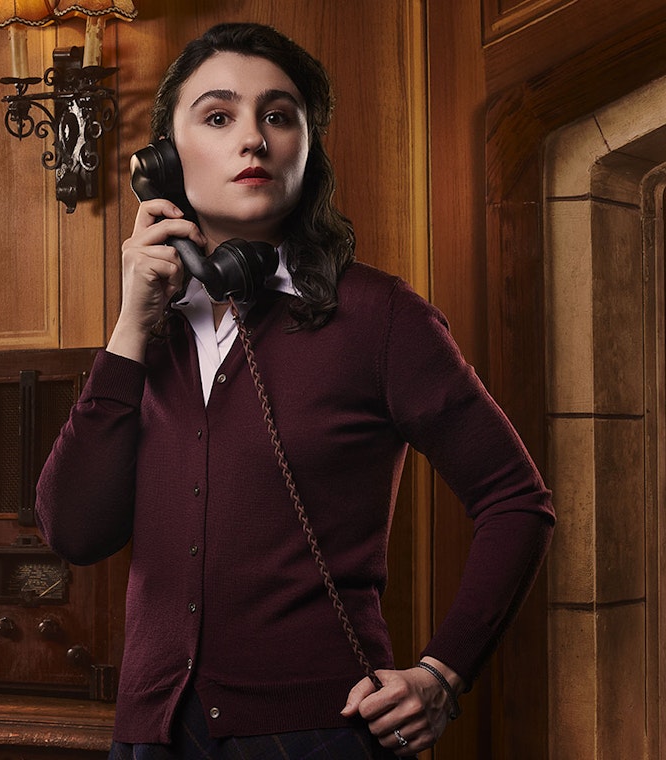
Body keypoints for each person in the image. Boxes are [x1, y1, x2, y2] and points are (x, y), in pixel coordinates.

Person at [34, 22, 554, 759]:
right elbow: (74, 532)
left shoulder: (380, 316)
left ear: (306, 150)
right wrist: (129, 331)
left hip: (318, 735)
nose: (254, 139)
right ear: (160, 163)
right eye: (218, 117)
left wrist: (443, 671)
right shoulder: (147, 333)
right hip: (151, 735)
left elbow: (517, 500)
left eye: (279, 116)